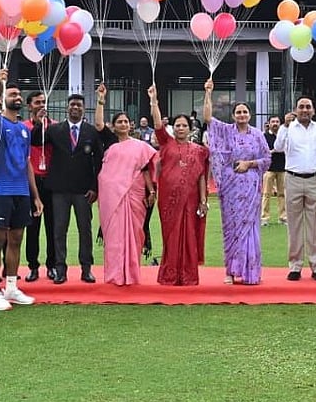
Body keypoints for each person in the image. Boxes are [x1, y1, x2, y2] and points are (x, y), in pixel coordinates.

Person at [0, 68, 43, 310]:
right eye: (13, 93)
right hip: (0, 190)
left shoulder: (25, 129)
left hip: (21, 192)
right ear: (4, 97)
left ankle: (12, 287)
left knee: (16, 239)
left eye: (19, 94)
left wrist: (35, 195)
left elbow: (27, 162)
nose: (17, 97)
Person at [203, 78, 271, 285]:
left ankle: (251, 272)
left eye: (245, 112)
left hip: (250, 187)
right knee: (231, 227)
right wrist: (208, 92)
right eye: (238, 112)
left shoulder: (258, 135)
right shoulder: (225, 130)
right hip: (230, 187)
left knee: (249, 227)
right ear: (233, 116)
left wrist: (249, 164)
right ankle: (231, 271)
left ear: (250, 115)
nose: (242, 115)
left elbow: (267, 159)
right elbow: (207, 117)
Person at [94, 84, 156, 286]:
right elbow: (98, 124)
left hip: (135, 196)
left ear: (131, 125)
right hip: (112, 197)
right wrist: (101, 100)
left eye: (126, 121)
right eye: (119, 122)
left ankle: (131, 273)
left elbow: (146, 170)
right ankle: (114, 274)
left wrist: (152, 191)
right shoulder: (110, 142)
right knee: (114, 237)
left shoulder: (141, 147)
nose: (122, 124)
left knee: (135, 234)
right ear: (114, 126)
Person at [148, 83, 210, 285]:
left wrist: (203, 200)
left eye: (184, 125)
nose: (180, 128)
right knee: (171, 236)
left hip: (191, 200)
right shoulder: (166, 142)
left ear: (190, 129)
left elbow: (201, 176)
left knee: (189, 235)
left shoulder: (199, 151)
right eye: (177, 125)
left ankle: (188, 275)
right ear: (172, 128)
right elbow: (157, 123)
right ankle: (170, 274)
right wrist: (153, 100)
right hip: (168, 200)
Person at [44, 93, 103, 284]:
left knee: (84, 229)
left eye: (78, 105)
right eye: (72, 105)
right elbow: (37, 141)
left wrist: (95, 187)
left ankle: (86, 268)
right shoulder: (54, 130)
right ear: (67, 108)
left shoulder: (91, 131)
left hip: (83, 190)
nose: (75, 108)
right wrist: (39, 121)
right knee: (59, 230)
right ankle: (60, 269)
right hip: (59, 190)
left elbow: (98, 161)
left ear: (84, 109)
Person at [273, 96, 316, 281]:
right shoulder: (288, 128)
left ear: (313, 110)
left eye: (308, 107)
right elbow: (278, 147)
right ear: (295, 110)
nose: (305, 110)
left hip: (315, 179)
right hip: (293, 179)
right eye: (301, 107)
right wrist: (284, 126)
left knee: (315, 225)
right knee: (294, 224)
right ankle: (295, 266)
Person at [22, 91, 55, 282]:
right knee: (32, 228)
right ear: (29, 106)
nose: (41, 105)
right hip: (30, 183)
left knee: (52, 227)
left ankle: (52, 266)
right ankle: (33, 266)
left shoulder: (55, 127)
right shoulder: (24, 127)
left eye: (43, 101)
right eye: (37, 102)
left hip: (50, 182)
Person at [261, 116, 287, 226]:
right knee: (266, 194)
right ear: (269, 123)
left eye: (277, 121)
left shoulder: (283, 135)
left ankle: (283, 217)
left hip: (282, 168)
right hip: (269, 169)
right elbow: (262, 151)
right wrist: (272, 151)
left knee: (283, 194)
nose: (275, 123)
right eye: (273, 122)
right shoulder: (264, 136)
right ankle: (264, 218)